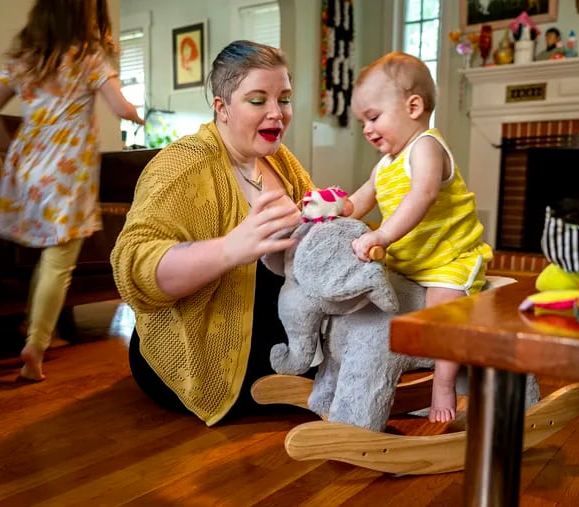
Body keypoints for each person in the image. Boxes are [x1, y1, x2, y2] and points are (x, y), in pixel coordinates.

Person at [110, 40, 351, 425]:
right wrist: (230, 249)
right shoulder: (183, 164)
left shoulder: (282, 163)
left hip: (283, 339)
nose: (277, 113)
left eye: (284, 99)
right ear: (222, 108)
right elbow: (132, 267)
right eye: (258, 100)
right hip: (199, 354)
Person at [0, 0, 144, 382]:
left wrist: (8, 149)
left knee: (43, 254)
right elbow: (119, 105)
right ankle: (36, 345)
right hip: (67, 173)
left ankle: (31, 325)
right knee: (59, 260)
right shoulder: (88, 57)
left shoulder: (25, 58)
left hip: (27, 169)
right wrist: (134, 113)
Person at [348, 52, 493, 424]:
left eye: (374, 117)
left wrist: (381, 233)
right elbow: (362, 199)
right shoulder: (384, 164)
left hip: (449, 258)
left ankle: (443, 384)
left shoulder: (426, 146)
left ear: (413, 106)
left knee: (443, 307)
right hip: (411, 260)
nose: (367, 128)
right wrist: (333, 209)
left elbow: (422, 194)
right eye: (363, 121)